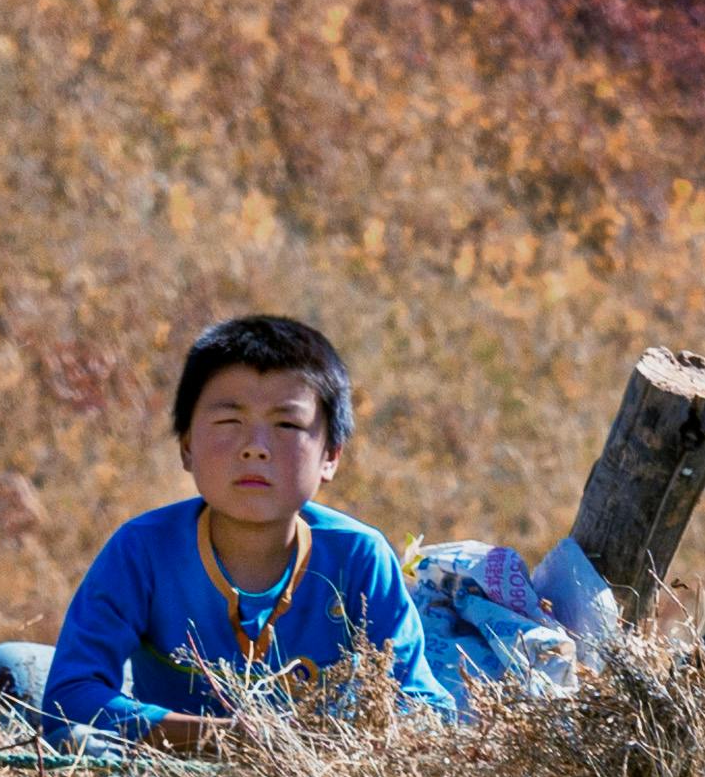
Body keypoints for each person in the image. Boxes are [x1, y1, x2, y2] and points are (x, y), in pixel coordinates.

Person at [35, 313, 469, 744]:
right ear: (187, 446)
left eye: (287, 425)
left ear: (331, 456)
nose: (255, 449)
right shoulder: (142, 550)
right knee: (15, 675)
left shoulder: (357, 557)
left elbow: (424, 710)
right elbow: (69, 699)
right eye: (229, 422)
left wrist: (338, 744)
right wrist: (229, 739)